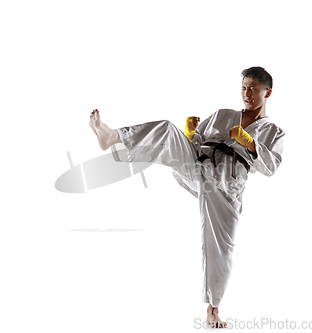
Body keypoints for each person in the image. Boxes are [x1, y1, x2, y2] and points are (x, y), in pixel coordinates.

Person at [89, 66, 285, 328]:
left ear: (267, 91)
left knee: (221, 247)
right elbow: (193, 145)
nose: (246, 93)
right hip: (198, 166)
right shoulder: (222, 115)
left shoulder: (273, 130)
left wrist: (250, 143)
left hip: (226, 186)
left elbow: (270, 166)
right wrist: (191, 134)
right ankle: (113, 137)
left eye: (253, 88)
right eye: (243, 87)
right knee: (169, 131)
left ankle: (213, 309)